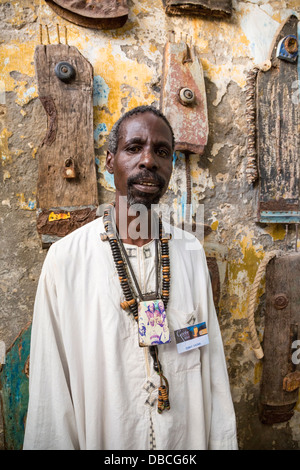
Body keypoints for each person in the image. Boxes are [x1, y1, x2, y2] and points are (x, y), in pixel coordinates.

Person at [23, 105, 238, 450]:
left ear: (170, 166)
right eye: (134, 148)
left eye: (162, 152)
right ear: (110, 162)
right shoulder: (66, 261)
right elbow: (50, 386)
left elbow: (207, 364)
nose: (149, 161)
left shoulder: (190, 254)